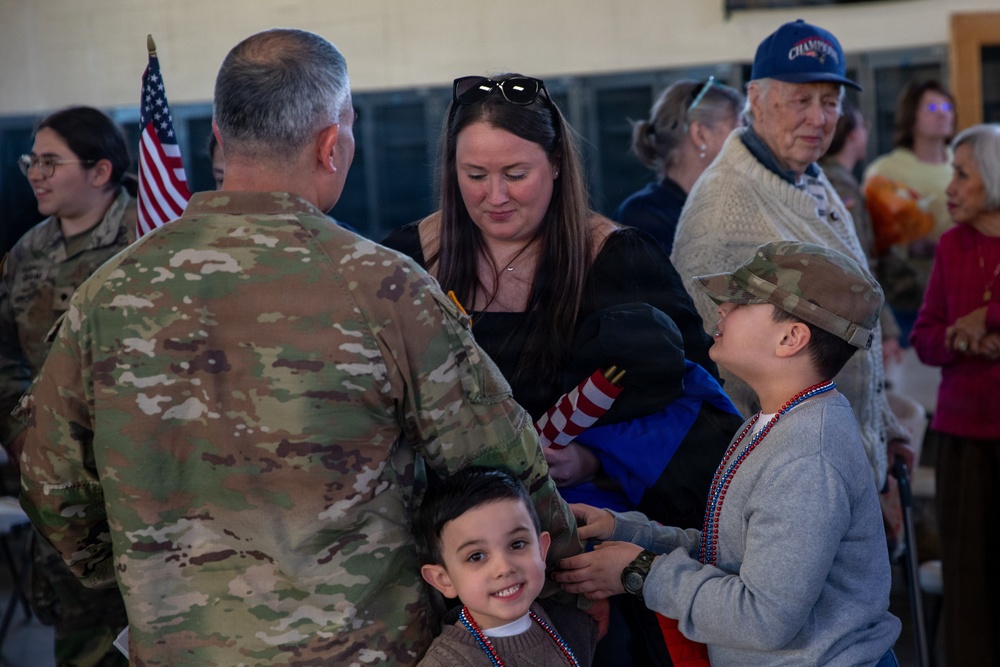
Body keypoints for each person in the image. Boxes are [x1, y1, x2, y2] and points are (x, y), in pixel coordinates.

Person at [16, 29, 588, 667]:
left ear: (221, 141)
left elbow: (50, 484)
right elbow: (496, 462)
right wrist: (568, 579)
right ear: (329, 144)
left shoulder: (105, 295)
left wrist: (151, 573)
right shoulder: (385, 290)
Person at [382, 72, 737, 667]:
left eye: (515, 175)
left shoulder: (616, 258)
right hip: (451, 572)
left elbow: (699, 410)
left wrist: (595, 456)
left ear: (555, 166)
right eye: (475, 176)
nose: (495, 196)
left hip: (576, 558)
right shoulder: (413, 260)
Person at [556, 240, 902, 666]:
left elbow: (763, 618)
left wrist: (641, 572)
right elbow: (736, 555)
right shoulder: (778, 421)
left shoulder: (807, 459)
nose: (722, 309)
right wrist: (627, 532)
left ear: (791, 337)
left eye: (741, 301)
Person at [670, 18, 912, 492]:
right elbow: (718, 370)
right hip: (794, 481)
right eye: (802, 100)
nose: (819, 119)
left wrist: (886, 431)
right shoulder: (725, 206)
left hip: (842, 461)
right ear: (756, 101)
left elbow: (846, 324)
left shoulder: (806, 176)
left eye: (830, 103)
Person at [0, 105, 134, 667]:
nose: (35, 173)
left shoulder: (146, 238)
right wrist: (22, 433)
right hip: (58, 482)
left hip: (133, 478)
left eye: (51, 161)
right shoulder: (27, 251)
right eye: (32, 160)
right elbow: (5, 353)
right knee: (79, 639)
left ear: (100, 171)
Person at [910, 123, 1000, 666]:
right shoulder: (950, 245)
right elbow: (924, 337)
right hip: (961, 438)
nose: (951, 187)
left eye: (962, 174)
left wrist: (986, 317)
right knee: (969, 582)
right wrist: (957, 336)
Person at [415, 466, 596, 667]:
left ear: (542, 550)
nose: (504, 568)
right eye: (476, 556)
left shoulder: (573, 626)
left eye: (517, 544)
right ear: (443, 579)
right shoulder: (446, 663)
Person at [863, 79, 956, 341]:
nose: (942, 113)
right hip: (909, 295)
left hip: (963, 289)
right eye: (932, 107)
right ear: (911, 116)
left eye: (947, 105)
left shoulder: (963, 162)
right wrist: (908, 244)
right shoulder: (886, 171)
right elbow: (870, 238)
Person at [613, 77, 743, 254]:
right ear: (700, 135)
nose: (743, 146)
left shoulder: (720, 209)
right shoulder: (644, 216)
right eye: (736, 131)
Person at [819, 100, 903, 365]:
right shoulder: (840, 184)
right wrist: (886, 327)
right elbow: (857, 261)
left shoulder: (828, 177)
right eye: (864, 128)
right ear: (854, 134)